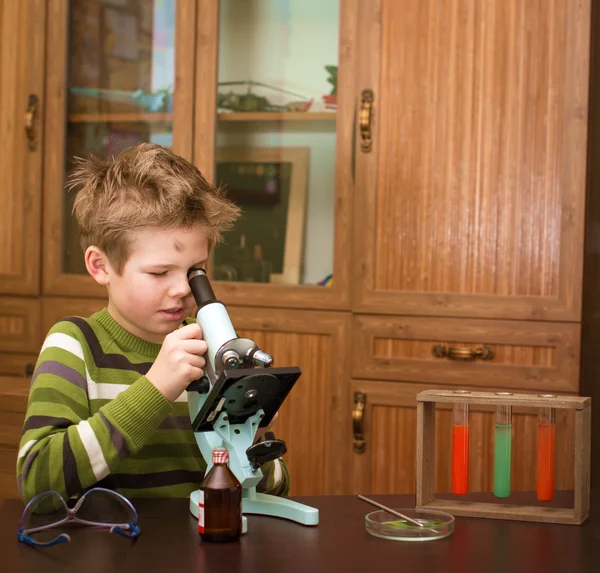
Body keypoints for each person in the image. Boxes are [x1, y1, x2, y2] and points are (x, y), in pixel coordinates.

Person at [16, 143, 290, 503]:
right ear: (100, 266)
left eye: (196, 272)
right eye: (159, 272)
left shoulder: (209, 349)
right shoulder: (74, 345)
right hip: (107, 549)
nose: (181, 289)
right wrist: (156, 387)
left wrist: (247, 425)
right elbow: (38, 482)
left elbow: (276, 490)